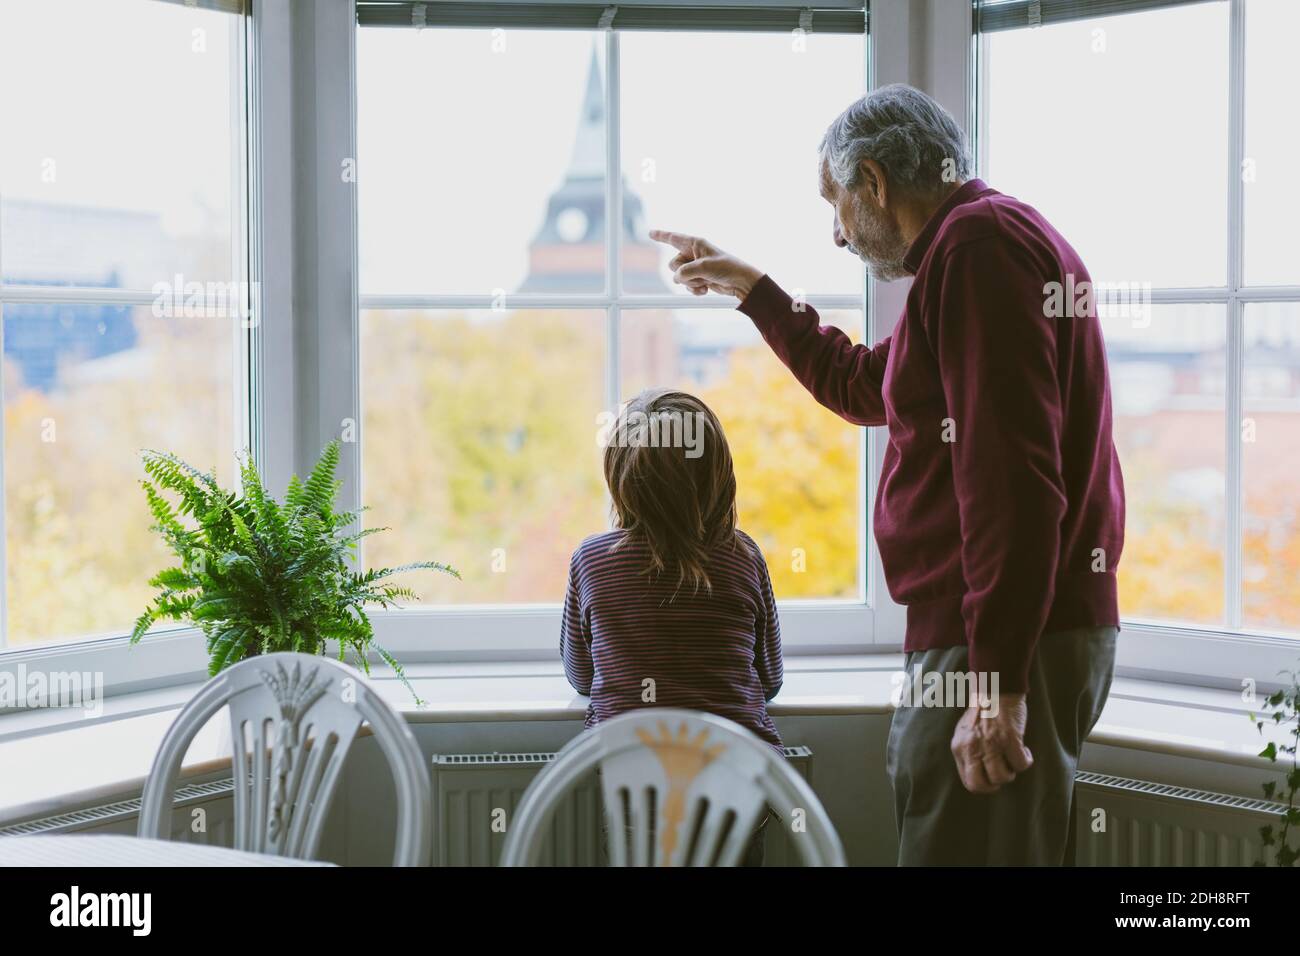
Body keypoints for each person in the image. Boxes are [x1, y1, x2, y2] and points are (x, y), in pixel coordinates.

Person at [650, 83, 1125, 866]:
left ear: (874, 181)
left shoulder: (978, 249)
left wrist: (996, 683)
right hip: (1011, 633)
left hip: (1000, 640)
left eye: (835, 203)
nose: (837, 235)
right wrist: (753, 291)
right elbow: (868, 387)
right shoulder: (976, 249)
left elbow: (1012, 481)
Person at [562, 388, 782, 865]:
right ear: (718, 475)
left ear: (621, 479)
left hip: (637, 790)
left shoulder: (592, 562)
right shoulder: (744, 558)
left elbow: (581, 676)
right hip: (736, 786)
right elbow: (769, 679)